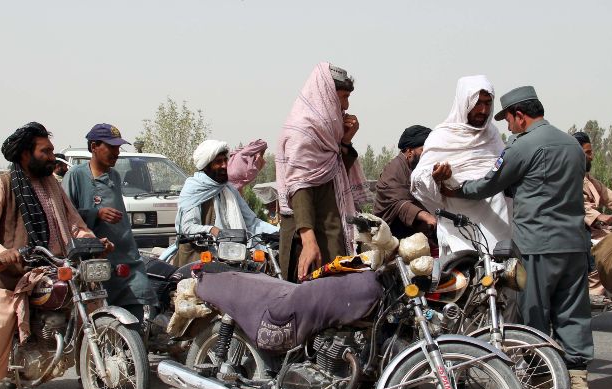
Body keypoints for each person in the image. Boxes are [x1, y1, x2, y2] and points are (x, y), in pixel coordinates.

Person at [436, 86, 595, 389]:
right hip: (575, 245)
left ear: (519, 115)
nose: (507, 126)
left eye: (508, 119)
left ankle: (542, 385)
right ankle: (579, 386)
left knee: (533, 315)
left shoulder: (521, 146)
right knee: (573, 313)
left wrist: (455, 187)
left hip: (537, 246)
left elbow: (488, 185)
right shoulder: (573, 146)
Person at [0, 122, 107, 389]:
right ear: (25, 154)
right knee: (2, 322)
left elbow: (73, 223)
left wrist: (90, 239)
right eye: (45, 151)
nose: (51, 156)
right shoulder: (0, 185)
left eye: (51, 151)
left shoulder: (53, 185)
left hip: (53, 266)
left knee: (90, 305)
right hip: (12, 274)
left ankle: (89, 371)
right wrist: (0, 254)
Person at [275, 62, 370, 282]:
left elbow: (336, 176)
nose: (346, 106)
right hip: (309, 237)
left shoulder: (327, 135)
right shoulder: (304, 132)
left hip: (331, 232)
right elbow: (300, 188)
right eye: (343, 97)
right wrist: (309, 242)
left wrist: (345, 142)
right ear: (326, 96)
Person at [62, 123, 158, 332]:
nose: (116, 152)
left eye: (118, 147)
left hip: (125, 256)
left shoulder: (114, 176)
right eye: (111, 147)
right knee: (97, 317)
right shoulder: (76, 176)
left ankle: (135, 355)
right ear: (94, 146)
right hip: (94, 259)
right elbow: (65, 217)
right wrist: (97, 213)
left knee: (137, 300)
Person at [410, 75, 511, 256]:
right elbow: (418, 181)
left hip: (497, 227)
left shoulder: (493, 136)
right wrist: (435, 178)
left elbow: (504, 174)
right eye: (477, 103)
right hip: (459, 230)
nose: (483, 110)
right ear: (464, 102)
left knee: (501, 278)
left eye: (488, 103)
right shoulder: (441, 136)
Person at [173, 139, 278, 266]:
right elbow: (188, 227)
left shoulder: (228, 189)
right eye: (218, 162)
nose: (224, 165)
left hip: (232, 256)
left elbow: (252, 222)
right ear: (206, 166)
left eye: (225, 161)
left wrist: (278, 233)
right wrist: (212, 230)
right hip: (200, 259)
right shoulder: (194, 189)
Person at [572, 132, 612, 306]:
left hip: (595, 228)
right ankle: (593, 291)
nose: (591, 156)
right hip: (580, 230)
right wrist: (599, 216)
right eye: (588, 152)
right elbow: (577, 203)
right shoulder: (569, 177)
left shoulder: (589, 179)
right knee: (607, 248)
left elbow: (610, 197)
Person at [373, 125, 437, 244]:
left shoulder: (418, 169)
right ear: (409, 151)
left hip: (417, 235)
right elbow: (398, 204)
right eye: (423, 150)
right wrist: (427, 217)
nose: (427, 155)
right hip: (391, 236)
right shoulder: (394, 169)